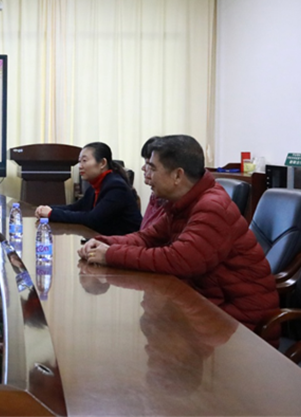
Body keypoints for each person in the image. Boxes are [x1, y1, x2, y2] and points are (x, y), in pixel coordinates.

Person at [78, 135, 279, 331]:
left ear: (177, 175)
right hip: (205, 303)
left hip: (240, 320)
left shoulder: (211, 206)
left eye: (153, 168)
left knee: (151, 332)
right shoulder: (183, 203)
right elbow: (147, 237)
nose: (147, 174)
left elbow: (178, 260)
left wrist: (110, 254)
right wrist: (104, 242)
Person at [35, 142, 142, 235]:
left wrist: (52, 213)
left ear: (102, 163)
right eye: (79, 161)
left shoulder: (116, 187)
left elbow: (93, 219)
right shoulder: (97, 184)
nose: (80, 166)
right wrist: (48, 208)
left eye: (84, 161)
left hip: (126, 244)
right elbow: (76, 207)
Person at [139, 136, 167, 231]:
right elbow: (145, 233)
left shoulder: (169, 199)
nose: (143, 168)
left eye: (149, 165)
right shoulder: (155, 196)